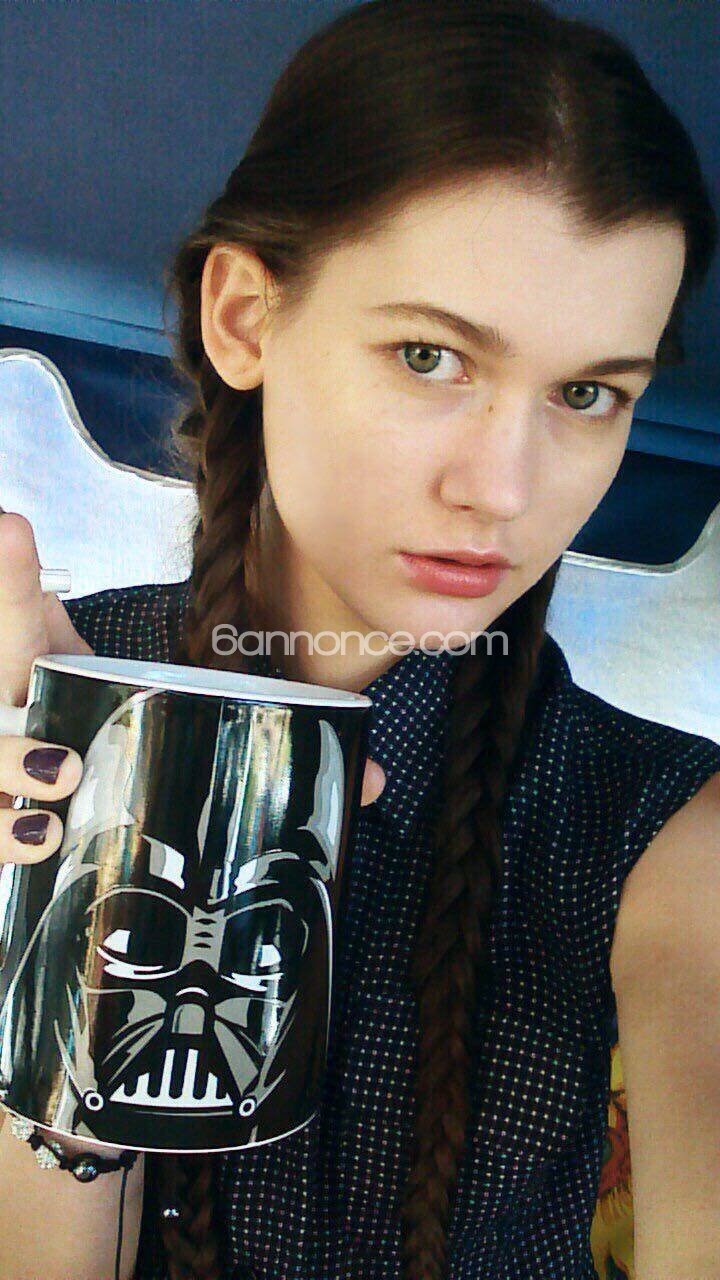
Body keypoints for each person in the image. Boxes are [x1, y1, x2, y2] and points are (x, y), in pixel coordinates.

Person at [0, 0, 719, 1277]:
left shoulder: (655, 833)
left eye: (588, 392)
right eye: (430, 355)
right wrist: (42, 956)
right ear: (245, 319)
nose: (504, 488)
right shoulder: (39, 717)